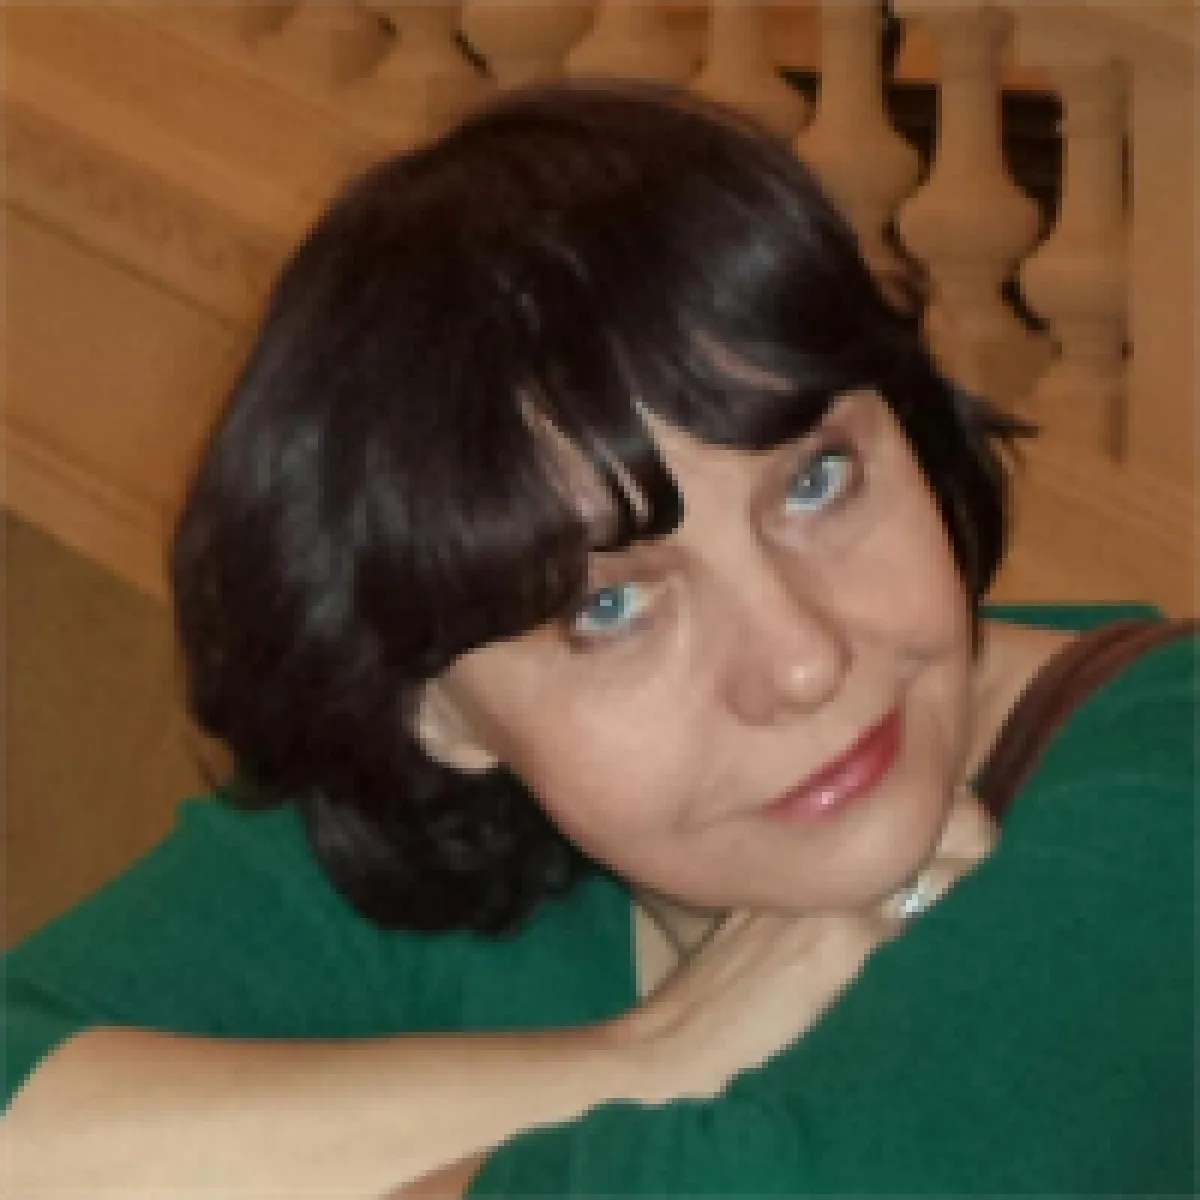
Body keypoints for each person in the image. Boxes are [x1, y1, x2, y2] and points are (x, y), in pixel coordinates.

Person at [2, 81, 1197, 1200]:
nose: (802, 663)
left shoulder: (1165, 774)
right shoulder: (452, 849)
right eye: (610, 609)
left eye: (817, 481)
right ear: (441, 712)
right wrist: (648, 1054)